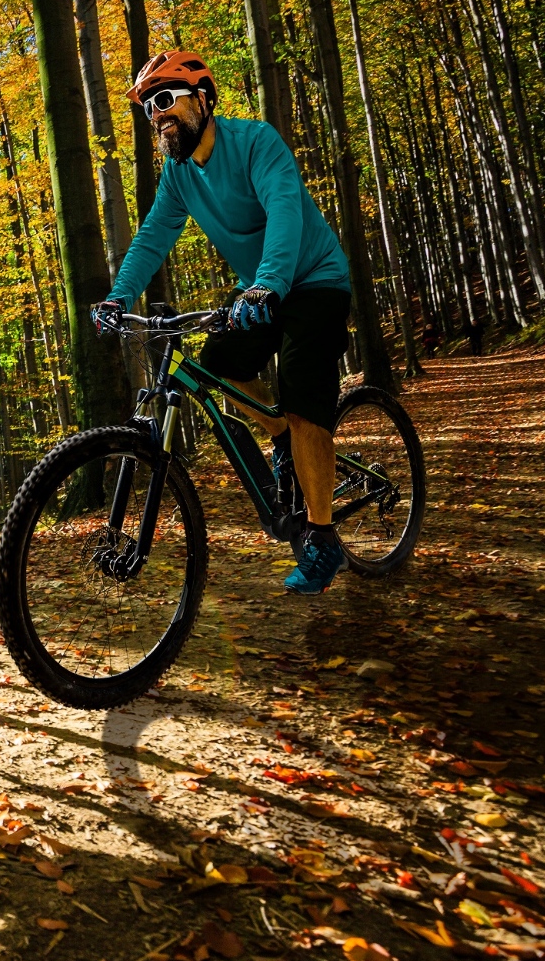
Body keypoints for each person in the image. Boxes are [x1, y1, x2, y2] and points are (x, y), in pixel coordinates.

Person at [91, 51, 354, 595]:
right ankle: (280, 437)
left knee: (305, 399)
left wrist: (267, 284)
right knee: (214, 368)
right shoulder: (179, 174)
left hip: (314, 279)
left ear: (204, 99)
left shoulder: (256, 142)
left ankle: (323, 539)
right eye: (148, 108)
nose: (157, 115)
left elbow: (284, 210)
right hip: (260, 286)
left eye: (166, 99)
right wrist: (117, 297)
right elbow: (152, 237)